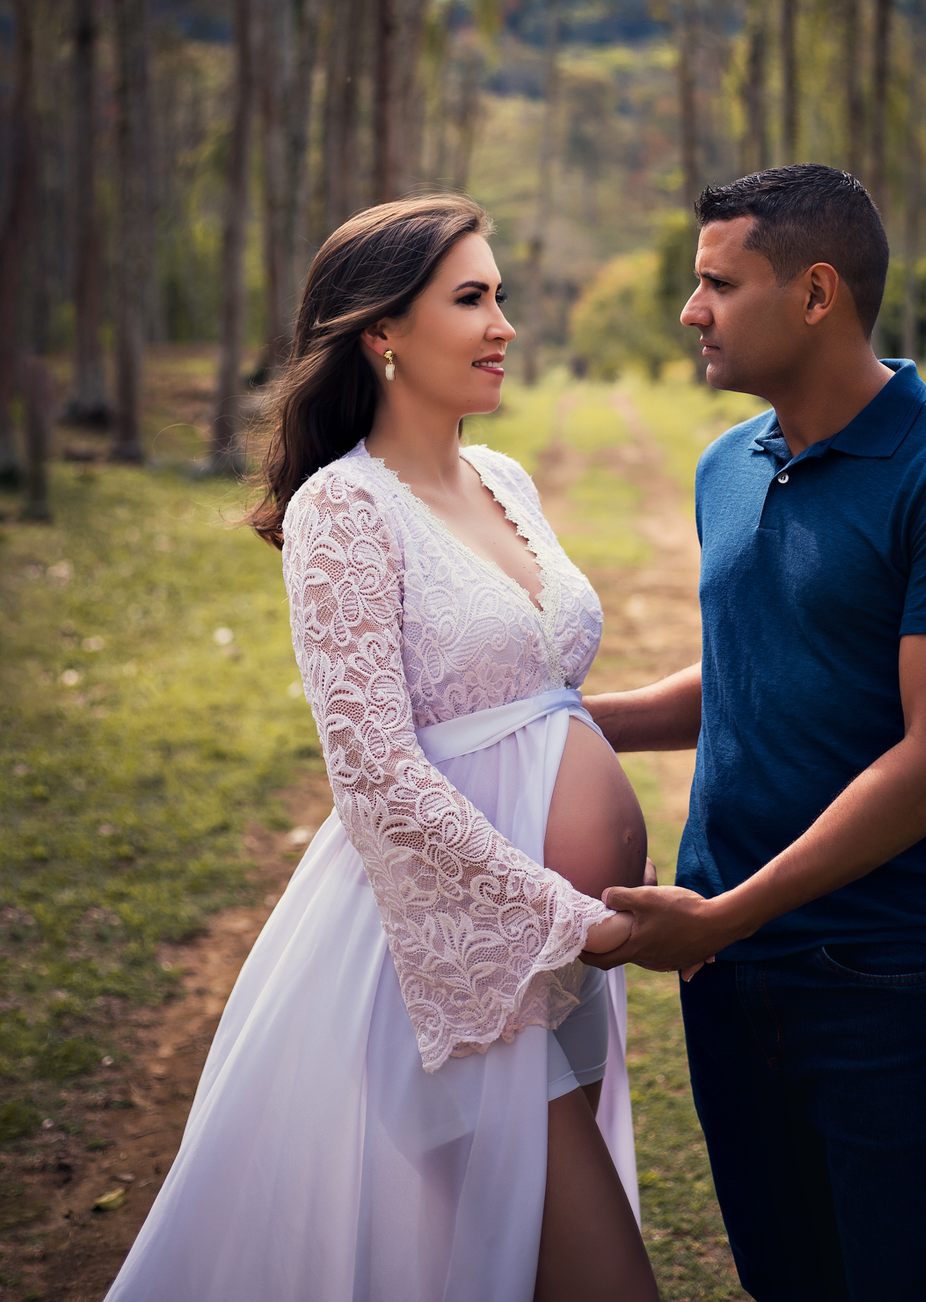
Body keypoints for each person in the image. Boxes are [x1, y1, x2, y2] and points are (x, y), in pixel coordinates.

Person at [105, 196, 657, 1302]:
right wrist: (562, 913)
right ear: (382, 332)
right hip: (454, 950)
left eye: (501, 296)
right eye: (471, 299)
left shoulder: (507, 480)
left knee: (515, 1264)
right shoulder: (342, 509)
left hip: (558, 960)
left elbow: (538, 698)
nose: (503, 324)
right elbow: (374, 774)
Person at [584, 165, 926, 1302]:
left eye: (716, 283)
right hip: (731, 972)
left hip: (884, 971)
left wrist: (722, 918)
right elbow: (751, 667)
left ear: (816, 293)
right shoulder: (724, 465)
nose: (690, 309)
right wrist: (552, 723)